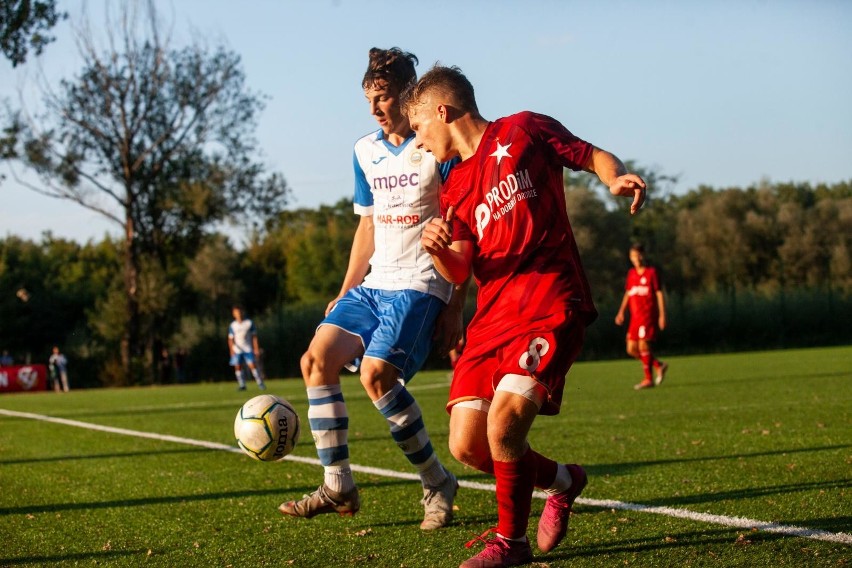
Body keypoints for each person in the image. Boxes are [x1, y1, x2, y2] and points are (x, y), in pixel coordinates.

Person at [404, 65, 647, 566]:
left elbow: (590, 154)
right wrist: (437, 250)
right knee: (469, 448)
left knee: (505, 424)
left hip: (548, 305)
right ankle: (564, 481)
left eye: (418, 129)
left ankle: (510, 544)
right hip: (491, 322)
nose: (418, 143)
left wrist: (613, 178)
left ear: (442, 112)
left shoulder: (523, 129)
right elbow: (461, 268)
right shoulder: (455, 190)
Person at [279, 47, 465, 532]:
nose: (374, 108)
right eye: (369, 100)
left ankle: (436, 481)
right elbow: (367, 228)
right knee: (315, 361)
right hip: (374, 283)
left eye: (382, 97)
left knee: (377, 376)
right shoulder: (364, 151)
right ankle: (337, 483)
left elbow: (462, 225)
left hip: (423, 283)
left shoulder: (436, 148)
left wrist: (457, 304)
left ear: (408, 96)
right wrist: (346, 289)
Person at [614, 243, 668, 390]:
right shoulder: (631, 274)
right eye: (632, 256)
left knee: (644, 344)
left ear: (643, 255)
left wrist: (662, 315)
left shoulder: (651, 273)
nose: (635, 258)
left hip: (648, 315)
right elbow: (628, 293)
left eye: (638, 255)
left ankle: (648, 379)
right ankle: (659, 365)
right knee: (631, 349)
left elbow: (659, 294)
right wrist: (621, 312)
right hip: (635, 317)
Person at [228, 306, 266, 391]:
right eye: (236, 313)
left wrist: (256, 348)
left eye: (239, 312)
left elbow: (254, 337)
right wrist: (231, 350)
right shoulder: (233, 325)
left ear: (242, 312)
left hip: (248, 349)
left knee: (252, 366)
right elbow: (230, 339)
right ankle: (242, 384)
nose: (238, 314)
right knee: (238, 367)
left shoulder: (249, 323)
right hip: (237, 350)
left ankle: (260, 383)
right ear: (234, 314)